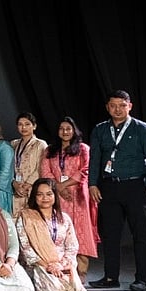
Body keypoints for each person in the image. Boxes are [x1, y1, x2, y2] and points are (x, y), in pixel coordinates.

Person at [88, 90, 146, 291]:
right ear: (107, 107)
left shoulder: (143, 130)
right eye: (113, 105)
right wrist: (92, 184)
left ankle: (142, 279)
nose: (117, 109)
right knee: (111, 234)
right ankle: (111, 277)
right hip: (108, 186)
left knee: (140, 234)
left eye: (122, 105)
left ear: (130, 106)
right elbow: (94, 159)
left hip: (135, 186)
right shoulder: (100, 130)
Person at [15, 179, 98, 291]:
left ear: (55, 196)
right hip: (38, 264)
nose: (45, 198)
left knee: (73, 288)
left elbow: (72, 247)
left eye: (49, 194)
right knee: (53, 289)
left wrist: (60, 265)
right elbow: (25, 248)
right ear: (34, 197)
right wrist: (48, 265)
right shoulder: (26, 217)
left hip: (62, 265)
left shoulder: (65, 219)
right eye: (40, 194)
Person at [40, 117, 98, 278]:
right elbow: (45, 172)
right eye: (61, 129)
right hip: (56, 196)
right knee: (58, 231)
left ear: (74, 131)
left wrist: (64, 185)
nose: (65, 132)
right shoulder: (50, 150)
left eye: (68, 128)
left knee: (80, 232)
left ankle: (81, 274)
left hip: (78, 196)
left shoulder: (83, 148)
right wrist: (58, 187)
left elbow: (86, 169)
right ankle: (59, 271)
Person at [10, 113, 47, 216]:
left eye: (27, 124)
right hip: (16, 189)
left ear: (34, 126)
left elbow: (41, 167)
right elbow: (8, 167)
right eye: (20, 124)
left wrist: (27, 185)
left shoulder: (40, 144)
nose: (24, 127)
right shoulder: (13, 144)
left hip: (32, 188)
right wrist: (15, 184)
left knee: (32, 219)